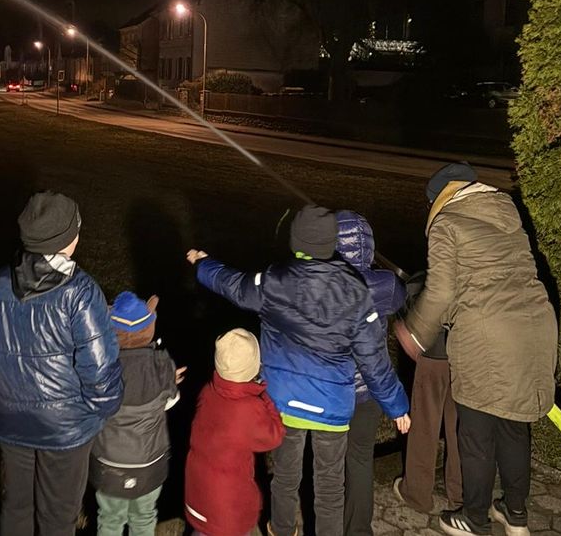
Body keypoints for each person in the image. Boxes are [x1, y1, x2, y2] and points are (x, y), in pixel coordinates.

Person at [187, 204, 410, 536]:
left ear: (296, 242)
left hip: (285, 405)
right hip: (332, 409)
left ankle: (281, 528)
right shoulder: (355, 292)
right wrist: (397, 407)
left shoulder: (275, 279)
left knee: (286, 478)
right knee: (330, 489)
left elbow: (232, 283)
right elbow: (373, 360)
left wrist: (203, 264)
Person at [393, 163, 557, 536]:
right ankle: (515, 514)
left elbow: (443, 291)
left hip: (487, 338)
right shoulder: (507, 211)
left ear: (439, 199)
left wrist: (415, 332)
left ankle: (473, 517)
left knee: (476, 432)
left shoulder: (446, 223)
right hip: (535, 325)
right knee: (514, 429)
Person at [0, 191, 123, 536]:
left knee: (16, 508)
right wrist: (100, 410)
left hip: (12, 421)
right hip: (66, 430)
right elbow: (101, 371)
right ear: (67, 239)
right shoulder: (80, 292)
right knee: (57, 517)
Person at [333, 211, 410, 536]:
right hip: (368, 392)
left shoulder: (321, 284)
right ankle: (358, 529)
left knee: (326, 462)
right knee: (360, 460)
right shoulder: (386, 285)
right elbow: (401, 296)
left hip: (331, 392)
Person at [90, 292, 184, 536]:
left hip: (108, 464)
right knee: (143, 518)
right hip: (149, 465)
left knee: (110, 520)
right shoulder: (162, 365)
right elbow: (171, 401)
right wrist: (169, 383)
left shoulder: (99, 366)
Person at [184, 328, 286, 536]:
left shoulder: (208, 391)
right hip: (228, 508)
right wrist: (266, 398)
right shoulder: (247, 408)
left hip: (197, 495)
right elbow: (274, 435)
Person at [392, 271, 462, 515]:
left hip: (434, 350)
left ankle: (417, 494)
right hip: (466, 349)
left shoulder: (444, 246)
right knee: (460, 426)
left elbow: (436, 291)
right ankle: (461, 495)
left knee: (424, 425)